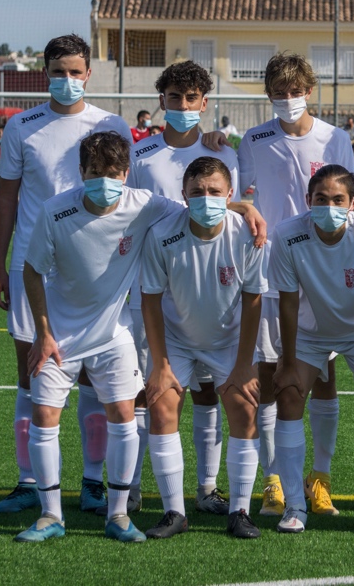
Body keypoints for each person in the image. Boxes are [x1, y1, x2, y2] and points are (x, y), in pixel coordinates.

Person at [0, 34, 132, 515]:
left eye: (75, 71)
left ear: (89, 73)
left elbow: (133, 191)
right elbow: (7, 197)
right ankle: (29, 480)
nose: (67, 80)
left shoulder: (111, 124)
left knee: (94, 374)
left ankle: (93, 481)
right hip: (33, 267)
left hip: (97, 266)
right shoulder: (22, 127)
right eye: (58, 71)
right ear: (44, 72)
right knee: (31, 374)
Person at [14, 130, 174, 543]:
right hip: (58, 336)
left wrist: (244, 207)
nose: (104, 180)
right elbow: (32, 271)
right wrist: (43, 333)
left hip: (113, 334)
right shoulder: (55, 211)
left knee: (124, 416)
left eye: (113, 172)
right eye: (95, 172)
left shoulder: (144, 204)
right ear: (81, 171)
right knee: (44, 418)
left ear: (126, 173)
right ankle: (51, 516)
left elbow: (194, 211)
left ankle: (118, 516)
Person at [126, 60, 264, 518]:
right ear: (161, 102)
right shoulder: (140, 154)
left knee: (209, 394)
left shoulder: (223, 153)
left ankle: (208, 487)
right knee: (151, 390)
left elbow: (227, 210)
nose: (182, 106)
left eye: (191, 99)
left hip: (212, 293)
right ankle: (134, 485)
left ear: (204, 104)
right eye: (173, 98)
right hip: (154, 289)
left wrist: (246, 206)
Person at [237, 52, 354, 518]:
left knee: (324, 379)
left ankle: (319, 479)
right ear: (268, 95)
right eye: (278, 93)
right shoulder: (253, 139)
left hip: (322, 270)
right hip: (270, 269)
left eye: (295, 91)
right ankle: (274, 481)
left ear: (310, 91)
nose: (288, 100)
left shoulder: (335, 138)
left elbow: (349, 203)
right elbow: (237, 192)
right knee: (272, 377)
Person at [140, 156, 266, 540]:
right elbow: (150, 300)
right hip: (177, 339)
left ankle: (240, 511)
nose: (206, 198)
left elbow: (254, 299)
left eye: (214, 192)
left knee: (244, 407)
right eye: (197, 192)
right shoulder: (162, 234)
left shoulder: (248, 234)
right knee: (161, 405)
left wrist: (244, 364)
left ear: (230, 195)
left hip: (228, 341)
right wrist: (160, 364)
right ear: (184, 195)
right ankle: (174, 512)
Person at [269, 165, 354, 535]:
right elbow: (288, 303)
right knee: (289, 394)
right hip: (310, 333)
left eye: (338, 199)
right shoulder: (287, 234)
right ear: (308, 201)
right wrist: (287, 362)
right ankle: (295, 505)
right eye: (320, 199)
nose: (329, 206)